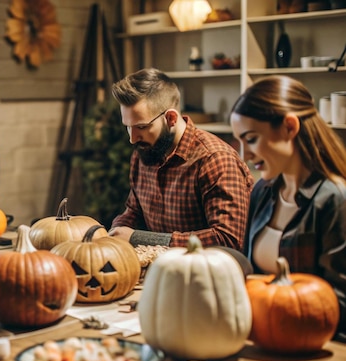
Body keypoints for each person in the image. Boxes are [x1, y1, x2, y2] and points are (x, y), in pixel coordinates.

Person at [230, 75, 346, 342]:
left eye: (252, 139)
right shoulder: (262, 191)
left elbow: (341, 303)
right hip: (260, 340)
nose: (244, 155)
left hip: (316, 353)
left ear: (289, 127)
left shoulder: (335, 200)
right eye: (240, 142)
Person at [108, 68, 254, 251]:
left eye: (142, 127)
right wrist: (114, 232)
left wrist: (139, 238)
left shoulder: (215, 160)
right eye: (128, 127)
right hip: (159, 272)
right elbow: (134, 211)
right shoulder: (144, 152)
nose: (132, 138)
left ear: (170, 118)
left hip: (207, 274)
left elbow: (229, 239)